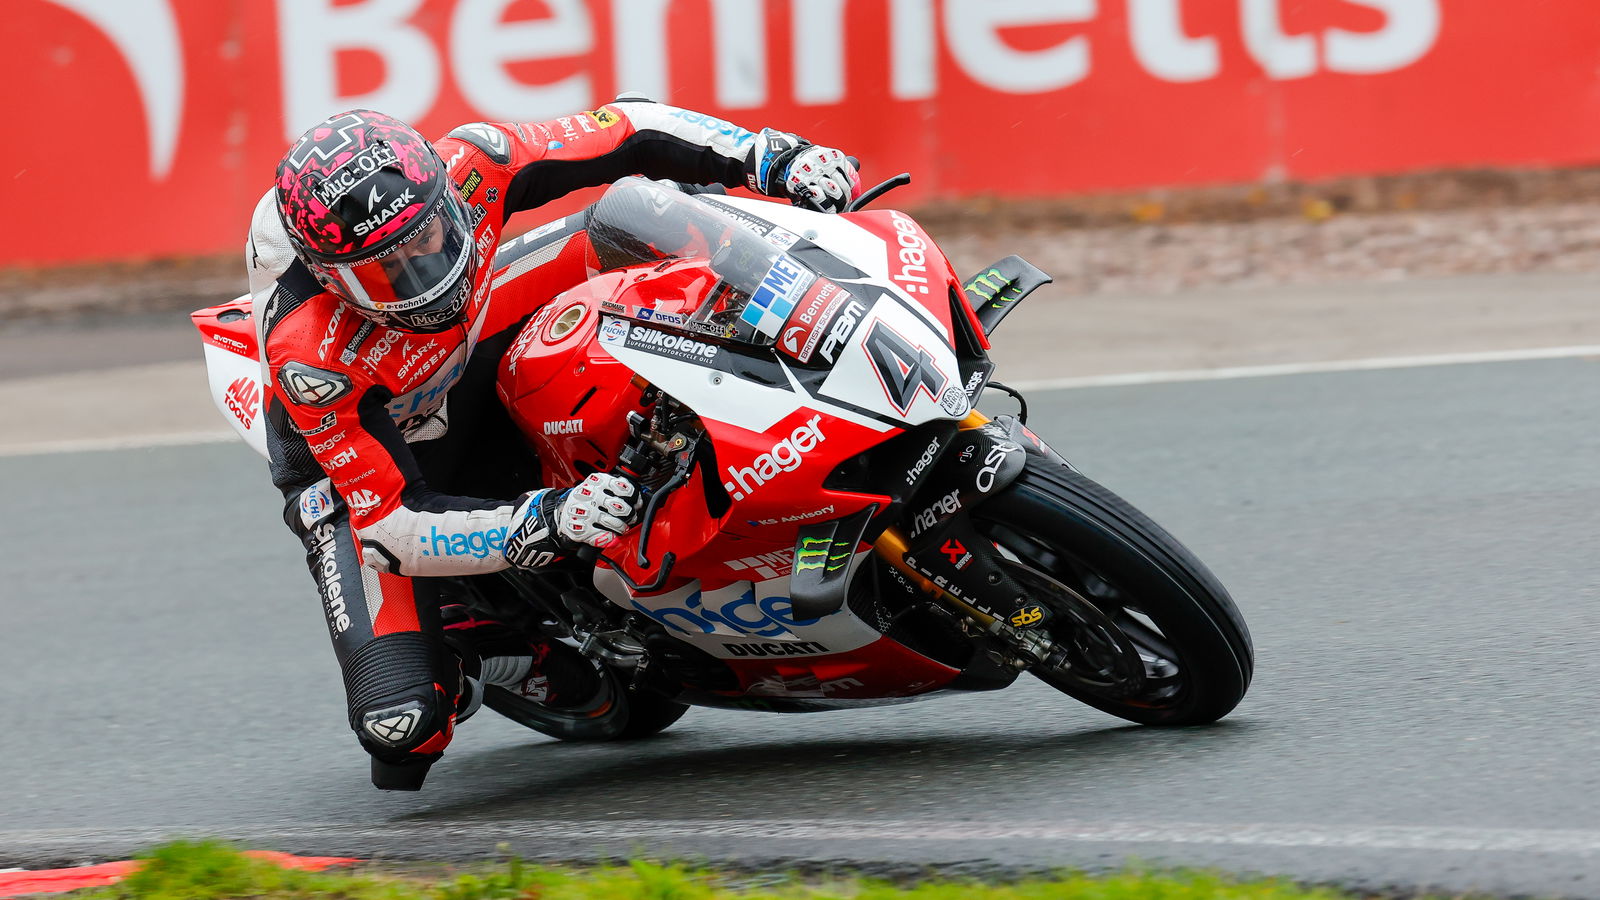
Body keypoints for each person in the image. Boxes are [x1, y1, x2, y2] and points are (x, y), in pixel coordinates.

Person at [245, 96, 862, 790]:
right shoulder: (310, 357)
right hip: (368, 476)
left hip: (467, 339)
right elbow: (393, 525)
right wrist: (545, 520)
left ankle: (820, 345)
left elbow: (628, 128)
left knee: (640, 216)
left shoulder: (472, 161)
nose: (429, 268)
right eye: (394, 268)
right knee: (401, 728)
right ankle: (492, 655)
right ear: (334, 279)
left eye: (434, 235)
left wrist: (770, 155)